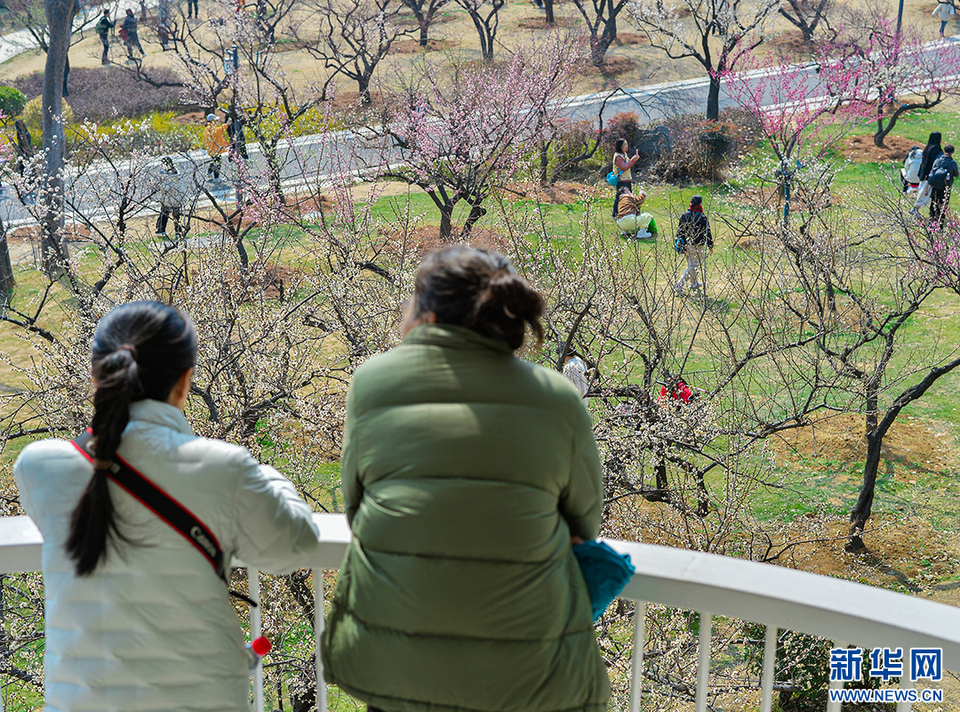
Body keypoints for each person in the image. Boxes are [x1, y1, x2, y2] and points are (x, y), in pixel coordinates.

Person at [322, 246, 610, 712]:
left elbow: (357, 508)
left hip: (399, 660)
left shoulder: (372, 382)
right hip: (524, 670)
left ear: (429, 313)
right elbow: (585, 525)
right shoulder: (557, 398)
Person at [13, 301, 322, 712]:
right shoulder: (223, 469)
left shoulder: (38, 466)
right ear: (186, 379)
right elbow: (293, 546)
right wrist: (261, 471)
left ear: (97, 375)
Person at [674, 195, 713, 294]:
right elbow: (707, 232)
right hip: (697, 245)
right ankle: (679, 285)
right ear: (700, 204)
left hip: (685, 244)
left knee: (691, 264)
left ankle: (694, 283)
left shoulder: (684, 215)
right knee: (693, 266)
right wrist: (710, 246)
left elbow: (679, 231)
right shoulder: (702, 217)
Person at [911, 132, 943, 215]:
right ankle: (915, 209)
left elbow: (923, 162)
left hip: (923, 172)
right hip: (928, 175)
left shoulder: (928, 147)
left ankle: (916, 209)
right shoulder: (936, 149)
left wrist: (920, 172)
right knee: (924, 193)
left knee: (922, 191)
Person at [928, 144, 958, 225]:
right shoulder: (952, 163)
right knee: (943, 204)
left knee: (934, 202)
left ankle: (931, 220)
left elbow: (933, 170)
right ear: (952, 152)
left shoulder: (937, 160)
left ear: (944, 151)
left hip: (935, 185)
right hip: (946, 186)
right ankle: (940, 222)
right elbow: (956, 174)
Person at [155, 156, 185, 239]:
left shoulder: (165, 174)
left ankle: (161, 230)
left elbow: (164, 187)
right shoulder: (177, 172)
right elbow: (181, 185)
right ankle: (178, 232)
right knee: (176, 216)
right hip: (176, 198)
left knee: (164, 214)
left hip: (168, 198)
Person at [611, 138, 639, 218]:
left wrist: (634, 159)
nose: (626, 146)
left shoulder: (624, 154)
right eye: (624, 144)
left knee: (630, 197)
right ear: (620, 146)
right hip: (622, 180)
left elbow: (628, 163)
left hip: (627, 179)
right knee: (620, 197)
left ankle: (631, 212)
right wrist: (633, 161)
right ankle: (615, 213)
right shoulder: (618, 157)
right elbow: (624, 167)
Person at [204, 113, 229, 182]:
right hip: (215, 149)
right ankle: (216, 177)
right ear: (212, 121)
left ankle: (209, 173)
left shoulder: (208, 128)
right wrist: (226, 125)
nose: (216, 122)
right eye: (215, 120)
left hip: (212, 149)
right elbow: (219, 131)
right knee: (218, 163)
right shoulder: (211, 128)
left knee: (213, 161)